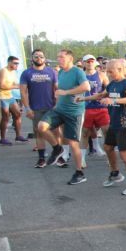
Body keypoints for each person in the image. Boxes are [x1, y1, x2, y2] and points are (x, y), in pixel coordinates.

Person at [79, 60, 126, 194]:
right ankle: (115, 174)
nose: (108, 74)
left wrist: (113, 100)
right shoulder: (113, 83)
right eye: (107, 71)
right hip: (114, 123)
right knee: (108, 147)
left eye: (111, 71)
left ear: (119, 69)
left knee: (124, 154)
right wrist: (83, 99)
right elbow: (101, 95)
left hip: (125, 123)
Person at [37, 49, 90, 185]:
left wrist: (66, 92)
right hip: (59, 110)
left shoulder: (77, 71)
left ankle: (80, 173)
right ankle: (57, 148)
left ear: (70, 58)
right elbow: (60, 91)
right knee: (41, 127)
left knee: (73, 143)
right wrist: (58, 98)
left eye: (62, 57)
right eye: (58, 57)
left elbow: (86, 86)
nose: (59, 59)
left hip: (74, 113)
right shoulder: (60, 72)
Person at [19, 50, 58, 168]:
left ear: (45, 59)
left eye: (41, 56)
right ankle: (42, 158)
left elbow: (57, 90)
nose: (39, 58)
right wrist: (27, 108)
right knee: (40, 133)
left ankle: (59, 155)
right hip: (36, 108)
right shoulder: (26, 73)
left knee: (56, 132)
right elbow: (23, 92)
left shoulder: (52, 72)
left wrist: (58, 104)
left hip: (52, 107)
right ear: (32, 59)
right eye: (36, 56)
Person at [80, 55, 110, 168]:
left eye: (92, 61)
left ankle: (109, 156)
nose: (90, 63)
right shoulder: (80, 76)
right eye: (87, 61)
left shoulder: (101, 75)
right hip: (86, 108)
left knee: (106, 131)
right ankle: (82, 159)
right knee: (85, 132)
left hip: (101, 108)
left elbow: (109, 88)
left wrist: (102, 95)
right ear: (83, 63)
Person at [0, 56, 26, 145]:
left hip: (10, 97)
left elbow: (14, 84)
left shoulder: (13, 72)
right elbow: (2, 86)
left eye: (18, 63)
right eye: (15, 63)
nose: (17, 65)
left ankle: (18, 136)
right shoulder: (3, 71)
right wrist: (17, 86)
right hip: (2, 97)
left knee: (18, 114)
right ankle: (2, 138)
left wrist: (24, 85)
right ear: (9, 63)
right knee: (5, 117)